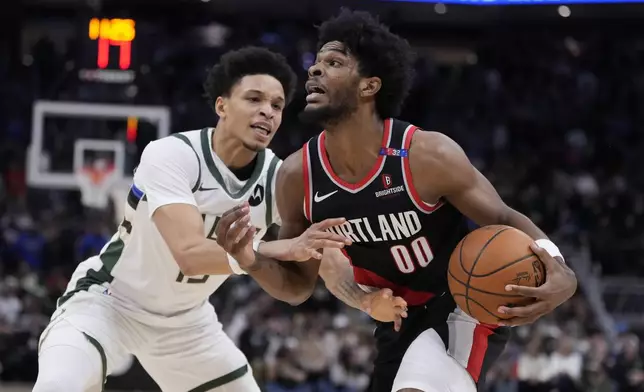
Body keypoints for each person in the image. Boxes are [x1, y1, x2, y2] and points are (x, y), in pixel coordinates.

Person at [216, 10, 578, 392]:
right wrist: (250, 260)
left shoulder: (425, 154)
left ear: (369, 86)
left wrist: (561, 269)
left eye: (334, 62)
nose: (314, 71)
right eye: (317, 62)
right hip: (395, 319)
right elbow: (297, 286)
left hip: (461, 302)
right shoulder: (297, 176)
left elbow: (503, 215)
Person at [33, 47, 351, 392]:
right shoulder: (172, 155)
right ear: (221, 106)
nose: (267, 111)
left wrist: (366, 299)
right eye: (254, 98)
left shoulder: (279, 178)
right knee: (58, 385)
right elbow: (188, 252)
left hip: (186, 323)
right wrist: (276, 249)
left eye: (276, 105)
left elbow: (324, 255)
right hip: (109, 302)